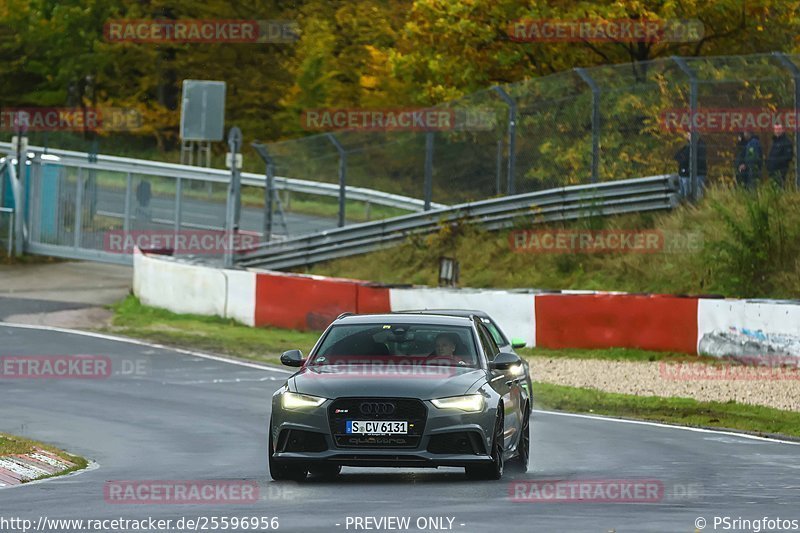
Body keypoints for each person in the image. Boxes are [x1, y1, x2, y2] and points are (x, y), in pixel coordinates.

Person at [673, 130, 707, 199]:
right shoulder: (688, 146)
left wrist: (687, 167)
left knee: (697, 195)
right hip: (687, 174)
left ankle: (696, 206)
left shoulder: (700, 146)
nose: (688, 137)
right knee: (685, 195)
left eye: (690, 135)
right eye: (688, 135)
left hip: (698, 174)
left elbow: (699, 160)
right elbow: (677, 156)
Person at [766, 123, 793, 189]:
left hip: (780, 171)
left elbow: (788, 157)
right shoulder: (774, 141)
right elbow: (771, 155)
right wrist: (768, 165)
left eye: (779, 129)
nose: (777, 131)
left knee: (779, 188)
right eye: (776, 129)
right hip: (772, 171)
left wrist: (777, 164)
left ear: (782, 130)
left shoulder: (786, 142)